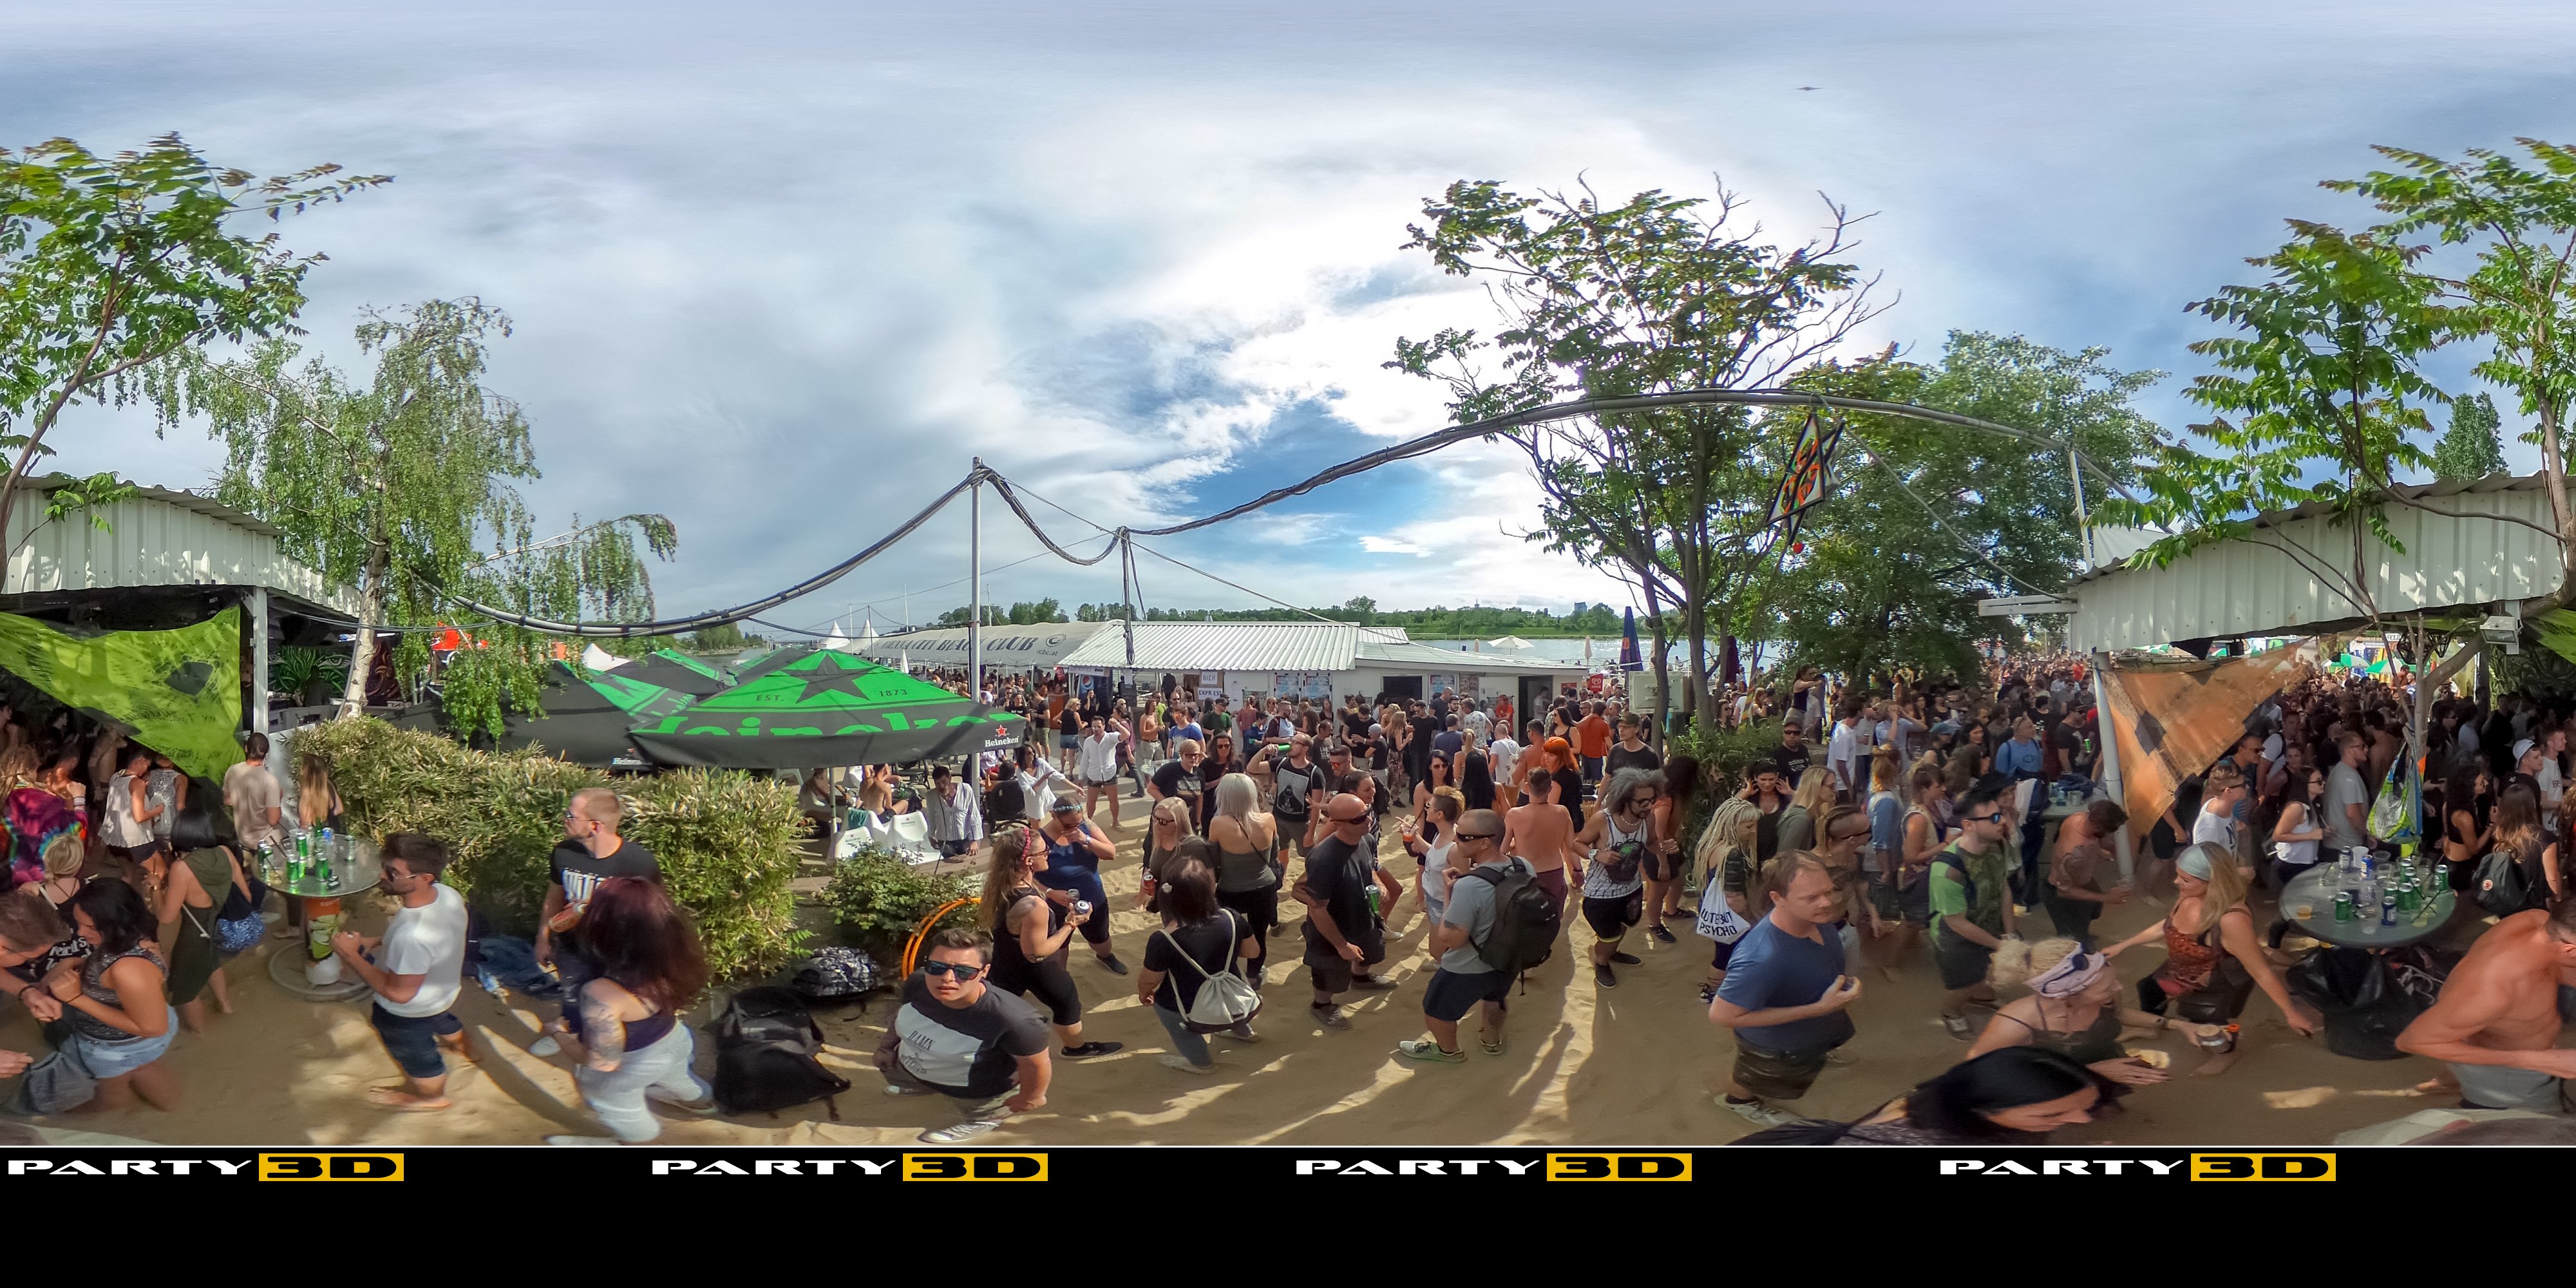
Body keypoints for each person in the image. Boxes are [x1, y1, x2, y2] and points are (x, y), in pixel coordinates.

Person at [2104, 844, 2320, 1074]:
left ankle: (2227, 1053)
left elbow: (2260, 971)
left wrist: (2290, 1012)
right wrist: (2123, 945)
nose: (2176, 883)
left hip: (2214, 982)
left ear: (2212, 882)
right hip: (2179, 967)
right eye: (2178, 876)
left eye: (2185, 879)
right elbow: (2168, 926)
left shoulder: (2231, 919)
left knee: (2209, 1023)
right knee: (2148, 988)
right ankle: (2152, 1027)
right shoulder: (2187, 895)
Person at [329, 833, 480, 1113]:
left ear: (424, 878)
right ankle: (465, 1049)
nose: (382, 875)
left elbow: (399, 994)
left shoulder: (412, 937)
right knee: (444, 1021)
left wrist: (350, 955)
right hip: (444, 993)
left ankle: (433, 1098)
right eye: (385, 867)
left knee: (418, 1057)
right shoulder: (447, 895)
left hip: (407, 1014)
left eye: (393, 872)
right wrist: (379, 941)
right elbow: (431, 946)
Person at [1708, 852, 1861, 1127]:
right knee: (1756, 1076)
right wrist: (1818, 1009)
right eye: (1811, 898)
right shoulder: (1761, 957)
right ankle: (1738, 1101)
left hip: (1817, 1027)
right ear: (1778, 898)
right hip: (1777, 1045)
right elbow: (1721, 1016)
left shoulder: (1816, 919)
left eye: (1828, 891)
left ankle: (1819, 1053)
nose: (1827, 902)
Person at [2396, 898, 2576, 1112]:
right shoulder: (2495, 989)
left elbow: (2559, 970)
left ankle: (2450, 1081)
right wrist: (2537, 1060)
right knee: (2533, 1120)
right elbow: (2413, 1041)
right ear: (2570, 950)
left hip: (2471, 1025)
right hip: (2509, 1074)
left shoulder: (2536, 920)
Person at [879, 928, 1054, 1144]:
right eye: (937, 967)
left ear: (984, 972)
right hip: (915, 1066)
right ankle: (921, 1086)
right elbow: (902, 1014)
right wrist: (886, 1047)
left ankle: (983, 1120)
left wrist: (1032, 1097)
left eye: (964, 972)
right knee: (902, 1072)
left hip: (977, 1090)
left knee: (983, 1110)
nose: (947, 979)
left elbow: (1036, 1064)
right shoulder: (918, 983)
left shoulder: (1015, 1021)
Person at [1972, 936, 2215, 1089]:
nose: (2118, 988)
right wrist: (2094, 1072)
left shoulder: (2107, 998)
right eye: (2107, 988)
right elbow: (1986, 1072)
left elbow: (2120, 1015)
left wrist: (2178, 1025)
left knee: (2105, 1109)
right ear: (2067, 996)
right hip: (2050, 1083)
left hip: (2104, 1063)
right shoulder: (2016, 1022)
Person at [533, 787, 661, 1055]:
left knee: (613, 1002)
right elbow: (553, 897)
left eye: (571, 815)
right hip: (573, 947)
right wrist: (543, 938)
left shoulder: (638, 862)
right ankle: (570, 1034)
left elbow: (652, 913)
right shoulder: (564, 853)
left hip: (618, 953)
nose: (564, 819)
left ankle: (611, 1050)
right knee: (572, 996)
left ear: (595, 826)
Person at [979, 826, 1123, 1059]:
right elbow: (1036, 953)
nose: (1049, 853)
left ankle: (994, 1044)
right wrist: (1071, 924)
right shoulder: (1034, 907)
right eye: (1044, 851)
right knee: (1068, 1003)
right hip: (1036, 967)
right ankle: (1074, 1048)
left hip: (1005, 957)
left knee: (1005, 999)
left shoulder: (1000, 885)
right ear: (1028, 861)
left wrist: (1049, 893)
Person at [42, 880, 178, 1111]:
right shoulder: (136, 934)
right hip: (139, 1042)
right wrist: (79, 962)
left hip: (119, 1046)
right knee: (144, 1066)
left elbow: (154, 1028)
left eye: (91, 927)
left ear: (116, 923)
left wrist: (75, 998)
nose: (80, 933)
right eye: (78, 923)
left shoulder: (128, 970)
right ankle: (172, 1108)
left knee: (112, 1099)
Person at [1398, 809, 1516, 1063]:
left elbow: (1450, 939)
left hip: (1470, 965)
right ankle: (1492, 1040)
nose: (1455, 840)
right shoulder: (1521, 865)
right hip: (1507, 958)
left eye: (1463, 837)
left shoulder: (1469, 886)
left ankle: (1448, 1051)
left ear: (1485, 843)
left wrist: (1449, 893)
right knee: (1494, 998)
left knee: (1436, 1010)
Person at [1137, 849, 1262, 1074]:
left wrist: (1143, 993)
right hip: (1231, 991)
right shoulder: (1231, 917)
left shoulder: (1163, 939)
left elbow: (1150, 980)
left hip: (1187, 1005)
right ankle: (1243, 1031)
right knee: (1231, 994)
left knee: (1169, 1015)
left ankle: (1201, 1064)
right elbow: (1253, 952)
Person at [1822, 1048, 2110, 1145]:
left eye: (2086, 1106)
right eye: (2053, 1114)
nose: (2083, 1120)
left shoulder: (1950, 1100)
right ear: (1983, 1110)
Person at [1293, 793, 1394, 1030]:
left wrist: (1379, 886)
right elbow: (1317, 909)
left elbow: (1370, 869)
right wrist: (1341, 945)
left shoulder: (1366, 839)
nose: (1368, 820)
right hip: (1333, 926)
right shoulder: (1324, 859)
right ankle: (1322, 1005)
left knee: (1371, 951)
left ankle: (1361, 977)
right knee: (1329, 972)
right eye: (1359, 819)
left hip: (1362, 915)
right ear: (1337, 823)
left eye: (1367, 812)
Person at [1932, 781, 2018, 1040]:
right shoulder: (1949, 869)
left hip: (1988, 923)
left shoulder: (1998, 846)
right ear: (1969, 825)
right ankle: (1952, 1012)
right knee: (1964, 983)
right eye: (1994, 818)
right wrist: (2001, 945)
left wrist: (2009, 934)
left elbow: (2003, 886)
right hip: (1956, 936)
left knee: (1988, 970)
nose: (2003, 821)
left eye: (2001, 814)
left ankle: (1980, 997)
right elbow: (1956, 923)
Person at [158, 805, 252, 1034]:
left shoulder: (182, 868)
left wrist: (155, 889)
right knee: (211, 961)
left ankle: (201, 1034)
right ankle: (226, 1007)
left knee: (183, 989)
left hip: (194, 931)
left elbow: (167, 917)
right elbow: (246, 896)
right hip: (215, 923)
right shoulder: (225, 852)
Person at [1570, 768, 1658, 989]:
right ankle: (1601, 960)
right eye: (1642, 801)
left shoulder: (1648, 818)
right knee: (1609, 935)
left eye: (1652, 800)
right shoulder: (1603, 820)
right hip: (1600, 896)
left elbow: (1652, 842)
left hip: (1632, 889)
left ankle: (1612, 951)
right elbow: (1577, 844)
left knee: (1624, 926)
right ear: (1625, 799)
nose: (1649, 806)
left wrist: (1665, 849)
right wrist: (1597, 854)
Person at [1036, 798, 1127, 974]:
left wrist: (1086, 839)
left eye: (1078, 823)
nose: (1074, 829)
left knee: (1102, 943)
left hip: (1092, 897)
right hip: (1057, 904)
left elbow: (1111, 853)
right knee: (1059, 948)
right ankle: (1062, 978)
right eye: (1068, 825)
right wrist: (1050, 892)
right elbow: (1027, 876)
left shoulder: (1087, 828)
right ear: (1054, 816)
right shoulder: (1040, 840)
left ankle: (1105, 957)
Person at [1207, 773, 1282, 985]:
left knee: (1227, 935)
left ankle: (1230, 975)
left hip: (1230, 889)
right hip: (1264, 887)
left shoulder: (1218, 824)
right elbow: (1274, 856)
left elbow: (1214, 861)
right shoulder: (1268, 819)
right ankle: (1253, 976)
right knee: (1259, 935)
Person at [1501, 768, 1580, 933]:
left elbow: (1503, 848)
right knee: (1553, 917)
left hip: (1527, 874)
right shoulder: (1562, 812)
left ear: (1527, 787)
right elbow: (1571, 847)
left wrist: (1516, 846)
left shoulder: (1514, 815)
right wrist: (1578, 870)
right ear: (1550, 788)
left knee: (1527, 919)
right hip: (1554, 872)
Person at [2044, 799, 2131, 947]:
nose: (2111, 835)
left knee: (2093, 912)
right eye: (2110, 832)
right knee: (2073, 944)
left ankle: (2082, 933)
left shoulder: (2079, 818)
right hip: (2062, 896)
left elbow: (2091, 839)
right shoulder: (2074, 854)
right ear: (2098, 826)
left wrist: (2099, 851)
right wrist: (2107, 898)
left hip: (2083, 881)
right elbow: (2064, 891)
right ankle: (2080, 943)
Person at [100, 748, 162, 870]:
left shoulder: (115, 777)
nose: (146, 770)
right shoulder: (138, 783)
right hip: (135, 840)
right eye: (147, 765)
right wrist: (157, 811)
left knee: (128, 875)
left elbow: (125, 795)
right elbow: (139, 817)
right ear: (141, 760)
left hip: (113, 838)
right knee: (160, 871)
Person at [920, 764, 985, 860]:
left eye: (944, 782)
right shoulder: (931, 796)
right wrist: (931, 836)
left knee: (968, 864)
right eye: (937, 783)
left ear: (950, 778)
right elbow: (931, 818)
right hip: (945, 841)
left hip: (966, 839)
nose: (941, 786)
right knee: (949, 866)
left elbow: (974, 815)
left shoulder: (965, 790)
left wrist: (975, 840)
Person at [2324, 730, 2374, 853]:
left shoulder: (2339, 770)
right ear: (2349, 750)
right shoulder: (2349, 777)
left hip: (2338, 844)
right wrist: (2369, 834)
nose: (2366, 749)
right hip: (2345, 847)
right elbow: (2352, 814)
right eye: (2362, 746)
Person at [1147, 738, 1207, 837]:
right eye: (1189, 755)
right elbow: (1151, 789)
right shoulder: (1169, 769)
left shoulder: (1200, 773)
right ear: (1182, 755)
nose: (1193, 758)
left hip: (1188, 819)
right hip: (1167, 818)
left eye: (1196, 755)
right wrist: (1169, 806)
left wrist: (1197, 821)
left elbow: (1200, 799)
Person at [297, 753, 345, 831]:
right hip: (332, 833)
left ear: (305, 770)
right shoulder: (328, 785)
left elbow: (306, 826)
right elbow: (339, 809)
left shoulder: (307, 793)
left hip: (316, 835)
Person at [1574, 701, 1612, 784]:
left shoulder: (1584, 720)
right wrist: (1612, 755)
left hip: (1584, 753)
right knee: (1597, 779)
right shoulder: (1603, 724)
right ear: (1603, 711)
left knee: (1586, 778)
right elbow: (1608, 742)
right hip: (1597, 754)